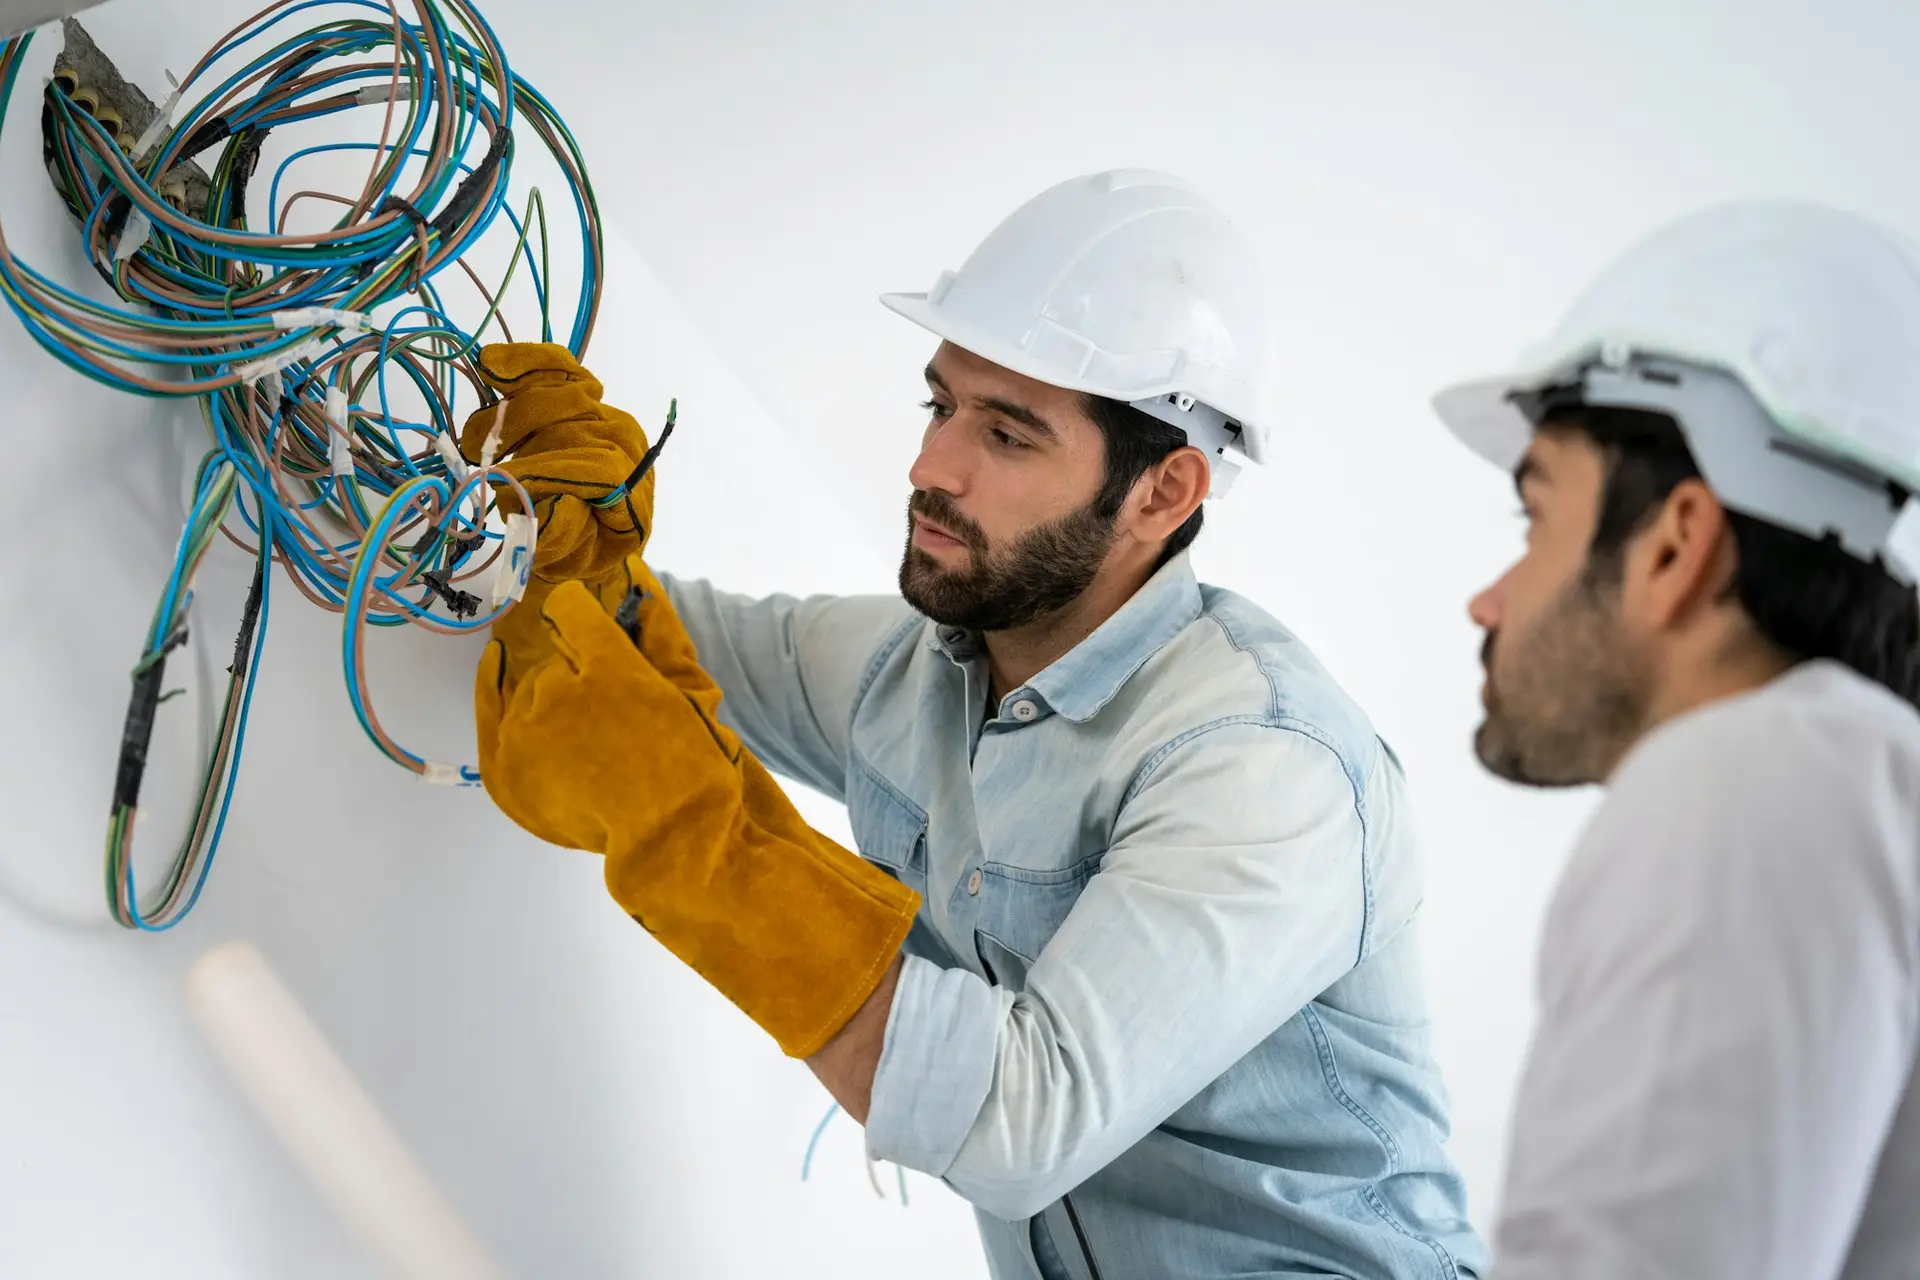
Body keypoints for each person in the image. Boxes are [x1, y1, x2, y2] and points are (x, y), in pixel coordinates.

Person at [472, 169, 1484, 1278]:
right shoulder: (916, 671)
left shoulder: (1258, 763)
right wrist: (563, 539)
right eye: (941, 405)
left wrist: (688, 836)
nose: (930, 467)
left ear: (1163, 491)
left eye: (1007, 435)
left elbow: (1017, 1123)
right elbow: (651, 632)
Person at [1432, 200, 1920, 1279]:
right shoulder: (1863, 783)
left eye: (1534, 519)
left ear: (1675, 544)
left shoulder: (1750, 783)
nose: (1488, 600)